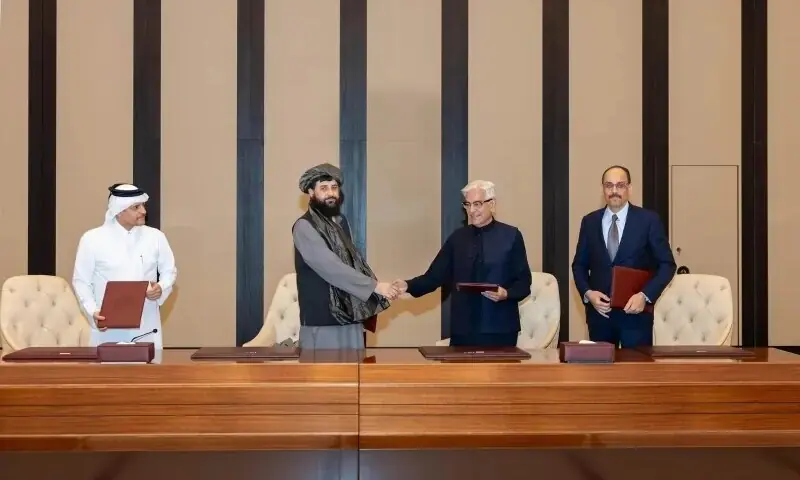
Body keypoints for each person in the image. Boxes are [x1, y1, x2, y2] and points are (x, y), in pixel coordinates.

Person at [393, 180, 532, 347]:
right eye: (467, 204)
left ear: (492, 204)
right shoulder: (457, 238)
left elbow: (524, 283)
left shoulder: (512, 236)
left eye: (478, 204)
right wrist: (407, 285)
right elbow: (434, 276)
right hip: (463, 329)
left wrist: (506, 294)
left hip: (500, 328)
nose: (471, 210)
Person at [292, 163, 398, 349]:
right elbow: (332, 267)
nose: (331, 193)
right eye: (323, 188)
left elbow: (352, 263)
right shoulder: (304, 226)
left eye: (334, 188)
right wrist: (375, 286)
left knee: (354, 374)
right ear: (311, 192)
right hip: (323, 320)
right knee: (326, 376)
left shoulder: (340, 223)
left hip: (350, 315)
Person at [571, 165, 676, 348]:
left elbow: (667, 264)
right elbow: (579, 265)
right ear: (602, 189)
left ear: (629, 189)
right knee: (599, 375)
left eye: (620, 185)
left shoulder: (649, 220)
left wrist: (645, 296)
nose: (614, 191)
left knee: (637, 374)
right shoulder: (589, 221)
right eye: (608, 185)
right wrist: (588, 293)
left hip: (636, 317)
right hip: (599, 317)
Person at [72, 183, 178, 349]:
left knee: (147, 373)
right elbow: (81, 281)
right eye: (136, 207)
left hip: (147, 325)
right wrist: (93, 312)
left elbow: (169, 272)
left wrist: (161, 287)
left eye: (143, 206)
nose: (143, 211)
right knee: (109, 375)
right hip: (107, 327)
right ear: (119, 211)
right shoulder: (92, 239)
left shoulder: (156, 237)